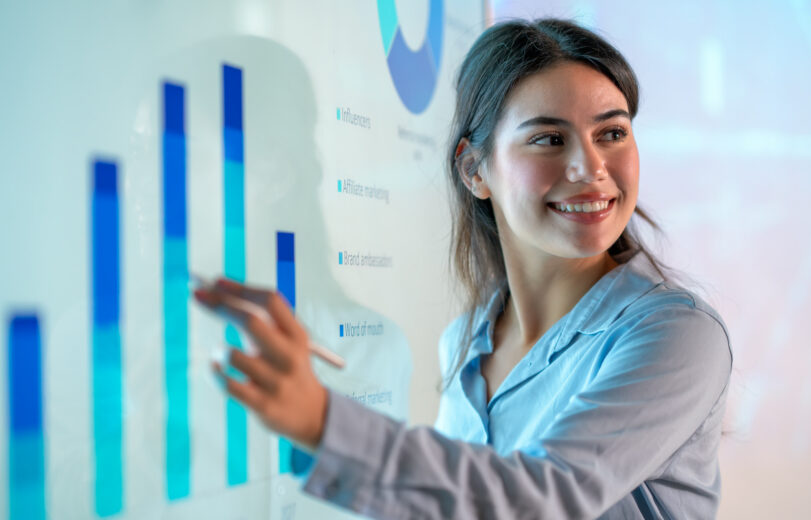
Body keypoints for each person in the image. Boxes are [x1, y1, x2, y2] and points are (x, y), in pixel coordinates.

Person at [194, 18, 732, 519]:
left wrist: (323, 423)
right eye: (549, 139)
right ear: (475, 170)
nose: (590, 168)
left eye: (611, 134)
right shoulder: (464, 340)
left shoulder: (677, 335)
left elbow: (541, 498)